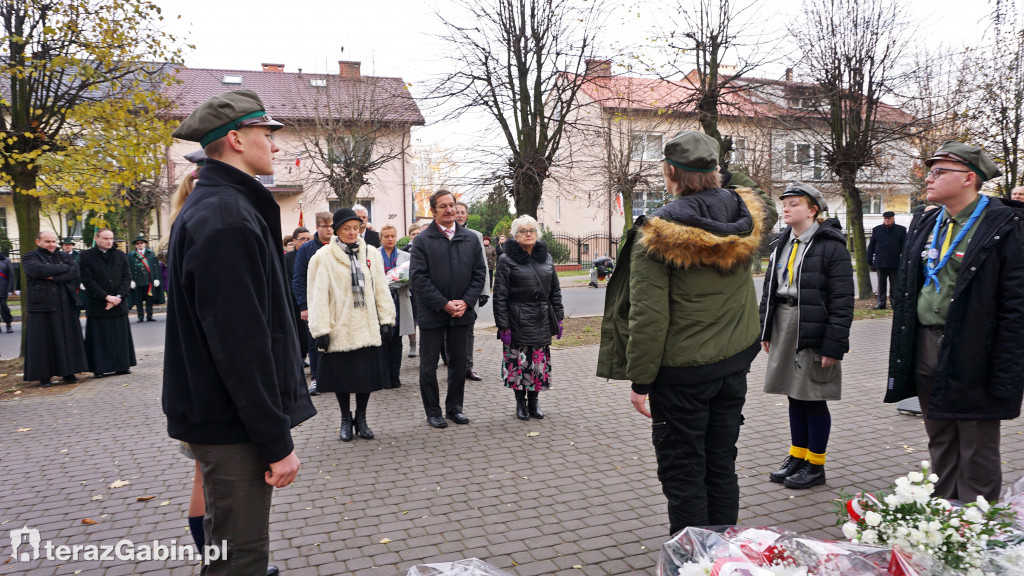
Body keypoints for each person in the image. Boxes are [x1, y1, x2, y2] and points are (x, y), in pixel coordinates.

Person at [163, 89, 316, 575]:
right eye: (267, 134)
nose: (274, 146)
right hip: (233, 422)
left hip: (224, 413)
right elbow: (240, 345)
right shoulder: (227, 216)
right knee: (239, 560)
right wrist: (276, 442)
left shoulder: (226, 206)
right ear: (235, 139)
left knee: (229, 548)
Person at [597, 130, 764, 535]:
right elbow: (756, 192)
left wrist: (641, 379)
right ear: (716, 170)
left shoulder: (657, 235)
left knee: (684, 472)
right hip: (732, 365)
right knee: (720, 464)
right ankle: (724, 556)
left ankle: (694, 561)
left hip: (683, 376)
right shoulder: (744, 217)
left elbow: (648, 316)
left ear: (671, 172)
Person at [886, 141, 1024, 503]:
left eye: (938, 172)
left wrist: (1007, 370)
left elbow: (1016, 306)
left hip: (975, 349)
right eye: (930, 171)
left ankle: (975, 532)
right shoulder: (927, 221)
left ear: (969, 178)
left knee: (976, 447)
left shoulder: (1005, 225)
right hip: (926, 345)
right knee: (941, 439)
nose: (928, 179)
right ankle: (943, 520)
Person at [759, 182, 854, 490]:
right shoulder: (781, 242)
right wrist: (765, 327)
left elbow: (842, 301)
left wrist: (834, 345)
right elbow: (769, 291)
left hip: (811, 325)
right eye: (784, 203)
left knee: (813, 397)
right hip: (784, 324)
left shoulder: (831, 245)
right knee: (793, 394)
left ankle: (816, 465)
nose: (786, 208)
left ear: (813, 209)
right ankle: (797, 457)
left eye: (794, 203)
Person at [308, 208, 395, 441]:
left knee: (365, 376)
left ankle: (362, 418)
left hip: (366, 325)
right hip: (340, 326)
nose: (352, 232)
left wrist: (387, 319)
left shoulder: (371, 253)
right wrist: (321, 330)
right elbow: (317, 295)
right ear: (336, 230)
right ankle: (346, 418)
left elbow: (380, 288)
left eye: (356, 228)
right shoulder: (322, 257)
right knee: (343, 378)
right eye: (346, 228)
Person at [410, 189, 487, 428]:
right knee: (429, 365)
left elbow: (479, 273)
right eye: (443, 206)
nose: (449, 210)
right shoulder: (423, 240)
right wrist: (444, 303)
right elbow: (418, 278)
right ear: (433, 211)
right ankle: (433, 411)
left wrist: (466, 301)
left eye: (451, 205)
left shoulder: (470, 238)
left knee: (459, 363)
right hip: (433, 312)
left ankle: (455, 408)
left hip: (463, 312)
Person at [493, 215, 564, 420]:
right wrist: (503, 325)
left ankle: (534, 402)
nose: (528, 234)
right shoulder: (506, 260)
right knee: (520, 364)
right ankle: (520, 403)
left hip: (541, 317)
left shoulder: (546, 258)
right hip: (518, 318)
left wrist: (558, 318)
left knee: (538, 365)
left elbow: (555, 291)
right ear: (515, 236)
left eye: (531, 230)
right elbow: (500, 295)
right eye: (523, 231)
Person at [23, 230, 88, 387]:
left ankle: (69, 372)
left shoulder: (64, 255)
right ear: (38, 242)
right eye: (47, 242)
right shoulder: (30, 256)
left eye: (53, 241)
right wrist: (62, 268)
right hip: (42, 305)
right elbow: (36, 270)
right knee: (43, 342)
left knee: (68, 339)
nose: (51, 245)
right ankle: (44, 376)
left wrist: (53, 275)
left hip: (66, 303)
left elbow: (74, 271)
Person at [79, 228, 136, 378]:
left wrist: (118, 297)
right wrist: (106, 297)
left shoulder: (120, 255)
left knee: (119, 337)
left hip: (118, 302)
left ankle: (122, 366)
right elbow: (87, 280)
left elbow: (126, 277)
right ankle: (100, 368)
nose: (109, 241)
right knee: (99, 339)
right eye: (105, 238)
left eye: (111, 238)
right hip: (99, 304)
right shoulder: (86, 256)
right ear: (96, 238)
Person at [292, 211, 333, 395]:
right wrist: (303, 306)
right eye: (325, 226)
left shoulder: (338, 245)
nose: (330, 230)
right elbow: (299, 278)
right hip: (314, 303)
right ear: (317, 227)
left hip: (336, 302)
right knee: (315, 341)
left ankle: (337, 377)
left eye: (332, 225)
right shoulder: (306, 249)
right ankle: (317, 378)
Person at [454, 201, 488, 382]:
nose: (459, 215)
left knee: (469, 332)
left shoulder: (476, 236)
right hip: (450, 294)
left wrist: (483, 292)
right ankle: (453, 366)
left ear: (466, 215)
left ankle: (468, 367)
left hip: (470, 294)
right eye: (456, 212)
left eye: (462, 212)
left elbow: (481, 266)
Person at [380, 224, 414, 388]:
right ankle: (385, 375)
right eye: (386, 236)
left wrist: (404, 280)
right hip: (381, 302)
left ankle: (396, 375)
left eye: (393, 236)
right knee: (383, 339)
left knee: (397, 341)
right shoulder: (373, 256)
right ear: (381, 238)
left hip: (400, 299)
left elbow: (413, 278)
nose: (390, 239)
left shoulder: (405, 256)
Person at [867, 210, 907, 310]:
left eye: (889, 218)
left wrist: (904, 260)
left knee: (894, 284)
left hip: (895, 262)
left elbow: (905, 247)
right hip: (880, 261)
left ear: (893, 218)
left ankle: (895, 303)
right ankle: (881, 303)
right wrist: (869, 259)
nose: (887, 220)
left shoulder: (901, 230)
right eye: (885, 218)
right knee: (881, 284)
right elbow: (871, 246)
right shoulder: (877, 230)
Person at [129, 236, 164, 323]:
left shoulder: (151, 253)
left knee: (149, 300)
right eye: (137, 243)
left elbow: (155, 267)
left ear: (144, 243)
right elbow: (128, 268)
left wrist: (156, 278)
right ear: (135, 245)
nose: (139, 245)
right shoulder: (131, 255)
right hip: (137, 281)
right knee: (138, 300)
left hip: (149, 281)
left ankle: (149, 316)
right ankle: (140, 316)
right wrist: (130, 280)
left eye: (141, 243)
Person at [403, 223, 421, 356]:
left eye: (418, 233)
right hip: (411, 288)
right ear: (409, 236)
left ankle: (425, 345)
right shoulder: (404, 250)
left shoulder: (427, 247)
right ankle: (412, 345)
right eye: (413, 234)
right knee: (412, 317)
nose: (415, 236)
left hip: (424, 288)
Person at [0, 250, 14, 333]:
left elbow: (11, 276)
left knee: (4, 307)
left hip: (3, 288)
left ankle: (8, 324)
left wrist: (10, 289)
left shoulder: (6, 261)